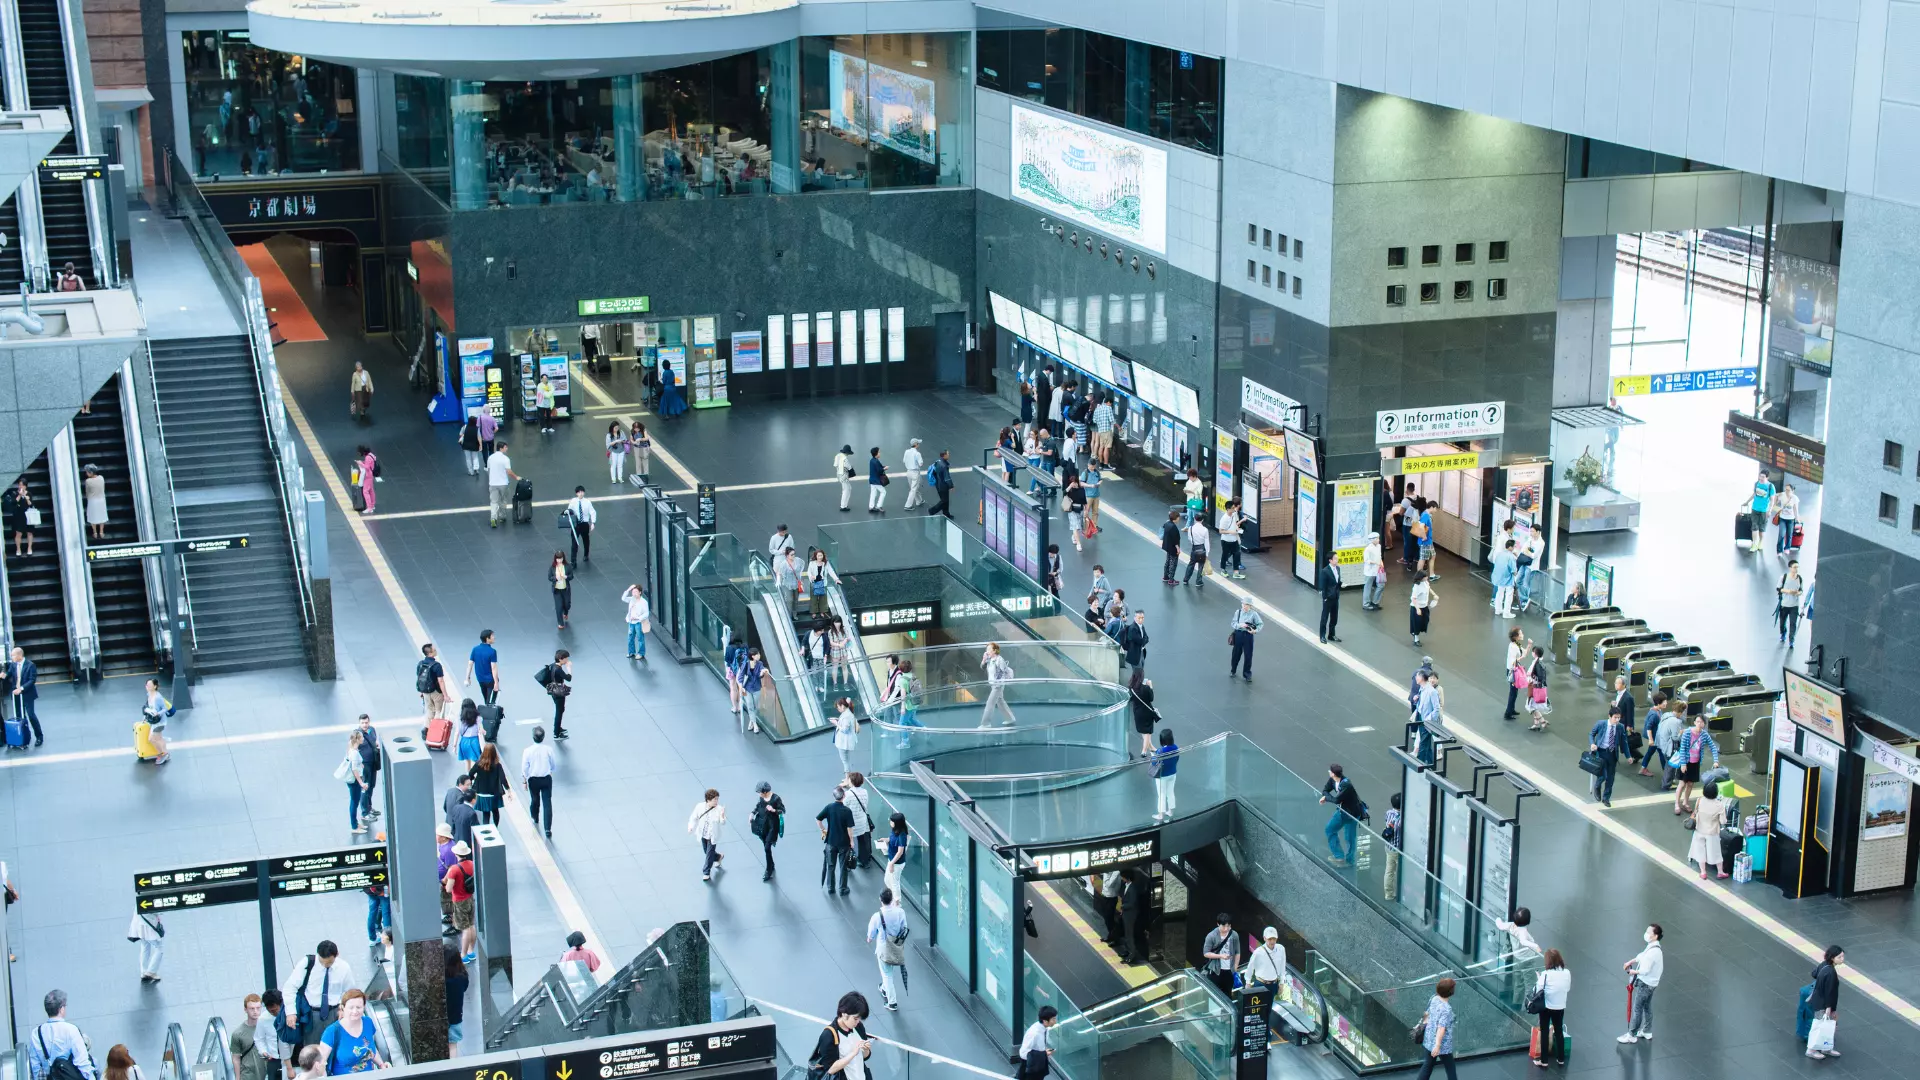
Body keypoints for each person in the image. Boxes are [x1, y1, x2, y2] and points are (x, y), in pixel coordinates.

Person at [284, 942, 358, 1049]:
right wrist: (291, 1013)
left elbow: (350, 992)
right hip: (312, 1014)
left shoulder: (344, 968)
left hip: (335, 1012)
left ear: (337, 955)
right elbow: (290, 987)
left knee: (335, 1046)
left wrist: (343, 1009)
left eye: (329, 963)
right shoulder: (307, 964)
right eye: (322, 962)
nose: (325, 965)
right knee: (312, 1049)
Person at [316, 989, 384, 1074]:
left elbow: (371, 1047)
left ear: (364, 1007)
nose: (355, 1011)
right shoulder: (332, 1031)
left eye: (358, 1007)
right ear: (343, 1008)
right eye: (351, 1007)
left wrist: (381, 1064)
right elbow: (320, 1063)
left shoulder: (368, 1022)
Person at [1617, 923, 1663, 1043]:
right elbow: (1642, 956)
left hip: (1646, 984)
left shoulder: (1653, 952)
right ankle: (1647, 1031)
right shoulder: (1654, 947)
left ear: (1655, 936)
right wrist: (1630, 961)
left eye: (1649, 932)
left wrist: (1633, 971)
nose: (1646, 934)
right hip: (1652, 984)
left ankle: (1631, 1035)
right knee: (1647, 1006)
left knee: (1637, 1009)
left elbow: (1645, 970)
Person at [808, 993, 872, 1079]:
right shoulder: (829, 1035)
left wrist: (866, 1050)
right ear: (844, 1014)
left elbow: (864, 1057)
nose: (857, 1022)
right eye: (855, 1019)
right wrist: (853, 1053)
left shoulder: (858, 1027)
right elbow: (830, 1069)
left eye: (859, 1019)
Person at [867, 888, 910, 1011]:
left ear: (880, 900)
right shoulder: (900, 912)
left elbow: (871, 934)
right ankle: (885, 988)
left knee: (887, 975)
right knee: (888, 973)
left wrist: (870, 938)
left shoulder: (877, 916)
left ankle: (892, 1002)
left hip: (883, 948)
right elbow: (904, 928)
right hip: (896, 946)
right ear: (892, 899)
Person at [1413, 978, 1459, 1080]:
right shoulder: (1446, 1009)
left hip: (1429, 1039)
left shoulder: (1434, 999)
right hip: (1443, 1044)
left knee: (1428, 1065)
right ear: (1451, 992)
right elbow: (1441, 1028)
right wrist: (1437, 1045)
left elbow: (1427, 1015)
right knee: (1450, 1067)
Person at [1531, 950, 1571, 1066]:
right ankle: (1561, 1058)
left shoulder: (1545, 974)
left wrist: (1539, 978)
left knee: (1544, 1031)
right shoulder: (1567, 972)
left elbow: (1537, 990)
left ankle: (1544, 1061)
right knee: (1559, 1031)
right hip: (1560, 1006)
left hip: (1546, 1006)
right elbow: (1566, 988)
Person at [1673, 716, 1719, 815]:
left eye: (1701, 722)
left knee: (1690, 784)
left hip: (1695, 763)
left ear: (1704, 724)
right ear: (1694, 722)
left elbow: (1713, 747)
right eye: (1697, 721)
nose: (1699, 724)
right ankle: (1677, 804)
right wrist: (1683, 763)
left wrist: (1716, 760)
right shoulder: (1688, 733)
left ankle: (1685, 802)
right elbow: (1683, 748)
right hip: (1686, 762)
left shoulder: (1704, 734)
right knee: (1682, 784)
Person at [1320, 764, 1364, 866]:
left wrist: (1326, 798)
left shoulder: (1346, 784)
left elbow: (1336, 800)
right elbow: (1325, 790)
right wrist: (1326, 795)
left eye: (1330, 771)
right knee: (1333, 831)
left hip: (1351, 814)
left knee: (1348, 837)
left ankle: (1348, 860)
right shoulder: (1332, 780)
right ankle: (1340, 857)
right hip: (1343, 811)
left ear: (1333, 773)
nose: (1329, 772)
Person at [1687, 779, 1732, 879]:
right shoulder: (1719, 805)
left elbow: (1696, 812)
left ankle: (1703, 872)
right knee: (1716, 852)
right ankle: (1720, 872)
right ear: (1716, 793)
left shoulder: (1700, 800)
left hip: (1699, 829)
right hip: (1712, 832)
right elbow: (1723, 821)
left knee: (1700, 851)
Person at [1805, 945, 1843, 1059]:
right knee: (1820, 1025)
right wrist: (1829, 1008)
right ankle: (1811, 1050)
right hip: (1824, 1004)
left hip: (1818, 1001)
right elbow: (1829, 992)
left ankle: (1826, 1047)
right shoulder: (1831, 972)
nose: (1842, 959)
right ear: (1833, 958)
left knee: (1830, 1024)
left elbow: (1814, 973)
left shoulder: (1824, 965)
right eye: (1840, 957)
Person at [1587, 707, 1628, 807]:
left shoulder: (1620, 727)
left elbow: (1624, 742)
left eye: (1619, 718)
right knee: (1603, 775)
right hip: (1601, 752)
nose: (1617, 720)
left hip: (1612, 754)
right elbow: (1591, 734)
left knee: (1610, 778)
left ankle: (1606, 798)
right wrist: (1592, 744)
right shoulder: (1601, 724)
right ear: (1609, 716)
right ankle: (1597, 786)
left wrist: (1628, 756)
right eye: (1615, 718)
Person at [818, 786, 856, 895]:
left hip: (831, 841)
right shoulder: (847, 811)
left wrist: (823, 829)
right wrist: (852, 841)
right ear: (843, 796)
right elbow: (849, 829)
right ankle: (843, 889)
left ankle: (830, 888)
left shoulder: (829, 807)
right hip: (844, 842)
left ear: (834, 796)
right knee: (843, 866)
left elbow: (818, 819)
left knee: (831, 865)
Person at [443, 841, 477, 963]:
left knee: (465, 928)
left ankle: (463, 954)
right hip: (470, 898)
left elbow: (448, 888)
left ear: (456, 854)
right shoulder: (473, 864)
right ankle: (471, 951)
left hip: (459, 901)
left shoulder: (454, 869)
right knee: (472, 925)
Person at [520, 726, 555, 837]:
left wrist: (524, 779)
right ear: (543, 737)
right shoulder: (548, 749)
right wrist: (550, 770)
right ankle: (548, 829)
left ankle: (535, 816)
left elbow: (524, 767)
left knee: (535, 799)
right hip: (546, 778)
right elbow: (553, 764)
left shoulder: (527, 751)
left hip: (533, 779)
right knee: (547, 803)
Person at [687, 788, 726, 881]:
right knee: (707, 852)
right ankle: (719, 857)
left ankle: (706, 872)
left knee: (709, 854)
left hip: (712, 836)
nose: (717, 801)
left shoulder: (720, 809)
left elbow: (723, 823)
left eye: (717, 799)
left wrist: (723, 816)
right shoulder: (699, 806)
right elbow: (693, 817)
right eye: (715, 799)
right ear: (708, 800)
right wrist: (691, 827)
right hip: (703, 834)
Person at [751, 781, 786, 881]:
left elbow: (783, 810)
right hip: (762, 824)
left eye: (760, 792)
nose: (759, 794)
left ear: (765, 792)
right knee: (766, 846)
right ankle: (771, 864)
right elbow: (758, 806)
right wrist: (752, 813)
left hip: (772, 826)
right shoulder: (761, 798)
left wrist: (773, 810)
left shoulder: (775, 798)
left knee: (767, 847)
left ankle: (768, 869)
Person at [1201, 913, 1240, 996]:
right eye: (1223, 926)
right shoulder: (1211, 936)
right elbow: (1206, 953)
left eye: (1228, 926)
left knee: (1228, 994)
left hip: (1229, 971)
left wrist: (1235, 966)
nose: (1226, 929)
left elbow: (1237, 952)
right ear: (1218, 924)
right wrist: (1220, 956)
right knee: (1215, 995)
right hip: (1216, 971)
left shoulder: (1234, 935)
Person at [232, 996, 271, 1080]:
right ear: (245, 1009)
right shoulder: (238, 1033)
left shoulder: (268, 1027)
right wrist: (237, 1078)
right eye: (252, 1008)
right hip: (248, 1075)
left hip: (269, 1072)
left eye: (258, 1008)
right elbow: (236, 1058)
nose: (255, 1011)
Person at [468, 744, 506, 825]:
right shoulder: (497, 765)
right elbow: (503, 778)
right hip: (494, 793)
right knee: (495, 812)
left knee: (486, 814)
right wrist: (508, 790)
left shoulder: (479, 764)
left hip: (482, 793)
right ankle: (496, 828)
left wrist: (473, 779)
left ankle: (487, 829)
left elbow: (470, 773)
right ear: (494, 753)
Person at [980, 643, 1017, 726]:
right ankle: (1010, 718)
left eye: (989, 649)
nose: (987, 651)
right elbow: (982, 667)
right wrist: (984, 660)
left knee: (990, 703)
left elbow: (1003, 672)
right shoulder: (989, 659)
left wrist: (998, 683)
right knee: (1000, 701)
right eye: (987, 649)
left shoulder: (1000, 659)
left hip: (998, 685)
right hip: (993, 684)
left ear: (995, 650)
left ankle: (985, 724)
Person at [339, 732, 368, 834]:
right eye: (362, 737)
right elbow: (354, 769)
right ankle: (354, 826)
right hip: (355, 781)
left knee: (354, 801)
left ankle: (355, 823)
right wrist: (361, 783)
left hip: (353, 780)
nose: (363, 738)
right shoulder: (354, 753)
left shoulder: (352, 749)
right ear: (358, 739)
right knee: (354, 802)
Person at [1017, 1006, 1058, 1078]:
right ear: (1045, 1021)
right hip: (1031, 1066)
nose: (1055, 1021)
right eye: (1053, 1019)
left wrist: (1043, 1053)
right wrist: (1043, 1054)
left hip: (1038, 1063)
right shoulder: (1034, 1033)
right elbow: (1024, 1053)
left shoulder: (1045, 1028)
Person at [137, 678, 171, 765]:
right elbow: (148, 706)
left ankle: (164, 753)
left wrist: (157, 713)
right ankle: (163, 752)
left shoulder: (158, 698)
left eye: (149, 685)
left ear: (155, 686)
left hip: (159, 722)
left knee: (153, 739)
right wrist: (145, 715)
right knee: (156, 739)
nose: (147, 686)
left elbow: (165, 709)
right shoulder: (149, 694)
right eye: (146, 685)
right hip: (154, 721)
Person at [443, 944, 468, 1057]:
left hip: (443, 1016)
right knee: (453, 1046)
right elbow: (465, 988)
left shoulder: (442, 979)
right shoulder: (462, 976)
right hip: (456, 1017)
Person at [540, 650, 572, 738]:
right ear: (561, 659)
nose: (567, 661)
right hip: (559, 693)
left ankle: (557, 728)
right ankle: (556, 732)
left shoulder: (553, 665)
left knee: (560, 710)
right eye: (566, 659)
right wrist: (569, 668)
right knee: (559, 712)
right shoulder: (558, 670)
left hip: (554, 691)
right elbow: (568, 678)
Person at [846, 772, 876, 868]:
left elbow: (844, 807)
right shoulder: (865, 792)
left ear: (851, 781)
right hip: (863, 820)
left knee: (848, 840)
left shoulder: (848, 794)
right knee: (864, 841)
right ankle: (864, 860)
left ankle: (849, 862)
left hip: (852, 821)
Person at [485, 442, 518, 528]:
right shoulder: (505, 459)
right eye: (505, 447)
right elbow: (509, 472)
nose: (507, 449)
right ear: (501, 448)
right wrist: (516, 477)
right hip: (503, 483)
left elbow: (488, 470)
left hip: (493, 483)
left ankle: (493, 518)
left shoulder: (490, 458)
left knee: (494, 501)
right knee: (503, 500)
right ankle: (502, 516)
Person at [1150, 727, 1180, 823]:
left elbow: (1155, 763)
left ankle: (1160, 814)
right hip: (1173, 773)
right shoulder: (1176, 747)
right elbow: (1176, 759)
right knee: (1170, 792)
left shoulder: (1161, 751)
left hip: (1162, 776)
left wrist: (1152, 755)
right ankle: (1171, 811)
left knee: (1161, 794)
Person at [1229, 600, 1263, 681]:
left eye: (1247, 605)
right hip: (1239, 634)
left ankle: (1247, 674)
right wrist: (1240, 625)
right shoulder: (1238, 612)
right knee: (1236, 654)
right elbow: (1233, 623)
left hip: (1248, 635)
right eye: (1244, 604)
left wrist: (1255, 631)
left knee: (1248, 655)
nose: (1245, 606)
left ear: (1250, 606)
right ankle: (1233, 670)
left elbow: (1260, 624)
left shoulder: (1254, 614)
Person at [416, 643, 450, 722]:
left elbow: (420, 677)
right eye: (434, 650)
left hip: (425, 692)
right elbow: (440, 681)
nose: (436, 651)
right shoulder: (436, 665)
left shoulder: (420, 664)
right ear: (430, 653)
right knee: (439, 711)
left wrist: (422, 691)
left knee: (430, 711)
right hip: (436, 692)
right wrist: (445, 696)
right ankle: (437, 731)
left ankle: (427, 730)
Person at [464, 631, 500, 706]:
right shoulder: (492, 652)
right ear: (487, 638)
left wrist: (467, 678)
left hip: (480, 679)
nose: (494, 637)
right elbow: (493, 668)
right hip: (490, 680)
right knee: (490, 702)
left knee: (486, 699)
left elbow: (470, 664)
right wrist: (496, 682)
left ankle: (487, 711)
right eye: (492, 636)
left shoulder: (475, 649)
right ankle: (489, 714)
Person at [127, 907, 163, 982]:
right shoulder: (149, 900)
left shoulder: (139, 901)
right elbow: (157, 911)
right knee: (159, 949)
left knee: (145, 947)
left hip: (140, 928)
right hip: (149, 928)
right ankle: (151, 972)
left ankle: (144, 971)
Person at [804, 549, 841, 618]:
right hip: (814, 583)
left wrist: (836, 579)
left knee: (823, 598)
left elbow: (831, 571)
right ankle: (813, 612)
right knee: (814, 598)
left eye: (821, 555)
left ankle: (822, 612)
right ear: (816, 556)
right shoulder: (812, 563)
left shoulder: (826, 563)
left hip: (823, 583)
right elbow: (809, 571)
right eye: (819, 556)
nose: (820, 557)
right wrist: (811, 576)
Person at [739, 648, 768, 734]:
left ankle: (751, 721)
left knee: (755, 706)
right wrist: (741, 687)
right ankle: (755, 725)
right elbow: (740, 677)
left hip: (757, 688)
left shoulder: (760, 664)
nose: (759, 656)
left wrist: (763, 672)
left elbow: (760, 674)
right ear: (753, 656)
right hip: (747, 688)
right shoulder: (746, 664)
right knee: (750, 705)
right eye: (758, 654)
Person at [564, 487, 596, 565]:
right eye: (579, 492)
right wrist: (567, 511)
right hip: (576, 524)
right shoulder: (573, 501)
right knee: (574, 543)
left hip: (584, 524)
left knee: (586, 540)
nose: (581, 493)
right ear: (576, 493)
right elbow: (570, 510)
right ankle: (573, 561)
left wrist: (593, 523)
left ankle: (586, 554)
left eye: (582, 492)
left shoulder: (587, 502)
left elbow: (592, 512)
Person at [1778, 559, 1806, 647]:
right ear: (1790, 568)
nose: (1796, 569)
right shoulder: (1784, 577)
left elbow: (1801, 590)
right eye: (1794, 567)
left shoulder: (1800, 578)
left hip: (1794, 605)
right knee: (1782, 622)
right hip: (1784, 604)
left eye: (1797, 567)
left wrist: (1798, 593)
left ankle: (1791, 640)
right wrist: (1789, 591)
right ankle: (1783, 633)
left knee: (1793, 623)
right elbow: (1779, 589)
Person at [4, 477, 34, 557]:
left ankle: (29, 548)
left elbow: (31, 505)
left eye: (22, 485)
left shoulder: (29, 494)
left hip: (28, 515)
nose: (20, 486)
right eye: (19, 485)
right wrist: (20, 495)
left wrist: (27, 499)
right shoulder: (15, 493)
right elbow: (14, 502)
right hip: (18, 515)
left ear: (25, 486)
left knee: (29, 532)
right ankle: (18, 549)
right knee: (18, 533)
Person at [1522, 646, 1549, 731]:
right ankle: (1536, 724)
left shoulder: (1537, 664)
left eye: (1533, 652)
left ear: (1535, 654)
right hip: (1536, 687)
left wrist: (1533, 678)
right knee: (1533, 705)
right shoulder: (1539, 662)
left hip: (1534, 687)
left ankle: (1542, 721)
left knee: (1530, 706)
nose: (1532, 653)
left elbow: (1539, 677)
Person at [1316, 552, 1342, 642]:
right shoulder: (1325, 571)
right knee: (1325, 617)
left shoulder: (1338, 569)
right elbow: (1322, 586)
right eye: (1335, 558)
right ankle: (1322, 636)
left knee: (1334, 617)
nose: (1337, 559)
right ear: (1330, 560)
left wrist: (1341, 585)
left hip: (1335, 596)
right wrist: (1325, 598)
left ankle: (1332, 634)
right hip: (1328, 597)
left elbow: (1337, 582)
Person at [621, 584, 651, 660]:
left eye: (636, 592)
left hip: (638, 623)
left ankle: (641, 653)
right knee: (630, 638)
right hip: (631, 622)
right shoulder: (631, 599)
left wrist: (638, 618)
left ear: (640, 592)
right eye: (633, 592)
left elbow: (646, 613)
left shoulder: (644, 602)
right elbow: (623, 598)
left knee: (640, 638)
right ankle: (631, 652)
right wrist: (628, 589)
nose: (634, 594)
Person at [1749, 469, 1776, 553]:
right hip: (1755, 509)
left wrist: (1770, 510)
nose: (1761, 478)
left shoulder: (1770, 486)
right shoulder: (1756, 484)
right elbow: (1754, 494)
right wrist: (1747, 502)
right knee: (1754, 527)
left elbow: (1772, 500)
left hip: (1764, 511)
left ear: (1767, 477)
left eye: (1763, 477)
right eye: (1760, 476)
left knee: (1762, 529)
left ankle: (1760, 542)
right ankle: (1754, 544)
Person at [832, 697, 860, 776]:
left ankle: (847, 778)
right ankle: (848, 778)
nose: (838, 709)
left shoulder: (846, 716)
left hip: (844, 742)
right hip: (845, 741)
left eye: (838, 707)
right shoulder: (848, 713)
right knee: (846, 760)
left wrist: (836, 723)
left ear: (842, 706)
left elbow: (845, 730)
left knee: (845, 761)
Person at [882, 812, 909, 894]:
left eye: (891, 821)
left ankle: (897, 902)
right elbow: (892, 839)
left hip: (896, 863)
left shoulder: (902, 836)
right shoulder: (895, 830)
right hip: (891, 859)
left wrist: (892, 864)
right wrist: (886, 839)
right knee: (887, 880)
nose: (890, 822)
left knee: (894, 883)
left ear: (897, 823)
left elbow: (900, 852)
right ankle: (892, 897)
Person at [926, 449, 954, 518]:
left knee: (945, 500)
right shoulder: (944, 466)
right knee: (944, 501)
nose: (948, 455)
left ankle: (946, 513)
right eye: (948, 454)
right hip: (943, 486)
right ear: (944, 455)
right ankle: (932, 511)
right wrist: (951, 486)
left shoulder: (937, 462)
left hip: (938, 484)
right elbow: (947, 477)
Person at [547, 551, 572, 630]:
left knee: (567, 604)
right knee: (558, 607)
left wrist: (566, 577)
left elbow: (571, 576)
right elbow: (549, 577)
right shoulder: (552, 567)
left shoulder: (567, 566)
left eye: (560, 558)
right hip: (557, 590)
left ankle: (566, 612)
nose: (559, 560)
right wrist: (555, 578)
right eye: (558, 559)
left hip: (565, 589)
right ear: (555, 559)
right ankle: (560, 623)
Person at [1361, 531, 1386, 609]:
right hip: (1370, 571)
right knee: (1368, 587)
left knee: (1381, 585)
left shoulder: (1378, 546)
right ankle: (1366, 604)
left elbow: (1379, 556)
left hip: (1378, 570)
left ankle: (1375, 602)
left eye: (1378, 538)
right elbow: (1366, 560)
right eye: (1376, 538)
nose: (1378, 540)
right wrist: (1376, 563)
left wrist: (1381, 563)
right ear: (1372, 540)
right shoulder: (1368, 549)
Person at [1408, 571, 1434, 646]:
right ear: (1421, 577)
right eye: (1425, 576)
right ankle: (1416, 639)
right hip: (1417, 607)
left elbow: (1429, 589)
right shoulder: (1417, 587)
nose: (1427, 577)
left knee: (1425, 620)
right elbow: (1413, 598)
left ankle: (1415, 633)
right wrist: (1418, 609)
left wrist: (1434, 594)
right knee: (1417, 623)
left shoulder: (1426, 583)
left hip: (1424, 606)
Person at [82, 465, 107, 542]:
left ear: (91, 472)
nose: (86, 473)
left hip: (92, 500)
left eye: (87, 472)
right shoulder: (101, 478)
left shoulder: (88, 481)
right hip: (101, 499)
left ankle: (95, 532)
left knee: (93, 516)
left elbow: (87, 492)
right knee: (102, 516)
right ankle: (101, 532)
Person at [1775, 482, 1801, 556]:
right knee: (1781, 534)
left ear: (1792, 491)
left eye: (1788, 490)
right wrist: (1776, 497)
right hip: (1782, 518)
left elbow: (1796, 509)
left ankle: (1787, 548)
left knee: (1789, 535)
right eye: (1786, 489)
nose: (1786, 491)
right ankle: (1779, 551)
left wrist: (1797, 518)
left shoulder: (1795, 498)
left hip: (1791, 519)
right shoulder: (1782, 495)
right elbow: (1776, 500)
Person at [454, 699, 482, 768]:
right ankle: (473, 776)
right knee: (474, 760)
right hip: (474, 741)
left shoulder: (460, 718)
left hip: (464, 741)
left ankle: (468, 776)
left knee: (467, 760)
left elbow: (457, 732)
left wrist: (454, 746)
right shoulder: (478, 718)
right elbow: (480, 731)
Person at [1159, 510, 1182, 584]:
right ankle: (1171, 580)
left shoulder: (1167, 524)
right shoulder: (1173, 527)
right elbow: (1175, 540)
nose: (1179, 519)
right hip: (1173, 548)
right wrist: (1178, 548)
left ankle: (1166, 576)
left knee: (1168, 561)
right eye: (1178, 517)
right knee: (1173, 563)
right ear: (1175, 518)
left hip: (1167, 546)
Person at [902, 439, 925, 509]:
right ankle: (908, 505)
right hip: (915, 473)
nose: (919, 444)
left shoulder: (906, 452)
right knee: (913, 489)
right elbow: (921, 464)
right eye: (918, 443)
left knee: (914, 488)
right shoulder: (917, 454)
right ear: (916, 444)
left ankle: (919, 500)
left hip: (908, 472)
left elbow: (904, 461)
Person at [604, 421, 629, 485]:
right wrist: (616, 441)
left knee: (620, 465)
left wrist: (622, 441)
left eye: (617, 427)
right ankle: (613, 479)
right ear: (612, 428)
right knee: (613, 465)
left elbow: (625, 440)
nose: (617, 429)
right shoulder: (609, 435)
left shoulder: (621, 432)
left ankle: (620, 478)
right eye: (615, 428)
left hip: (621, 451)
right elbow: (608, 444)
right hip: (614, 452)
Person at [459, 410, 483, 476]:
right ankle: (476, 468)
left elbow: (461, 434)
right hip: (474, 445)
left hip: (466, 445)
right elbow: (479, 437)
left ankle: (470, 471)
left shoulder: (464, 427)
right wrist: (480, 445)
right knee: (475, 457)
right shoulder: (477, 428)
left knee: (468, 459)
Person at [353, 446, 376, 515]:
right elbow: (369, 463)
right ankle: (372, 505)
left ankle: (369, 508)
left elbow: (367, 467)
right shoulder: (371, 455)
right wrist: (363, 462)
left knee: (365, 491)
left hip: (368, 475)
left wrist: (360, 463)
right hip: (371, 475)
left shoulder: (367, 457)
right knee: (371, 490)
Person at [833, 445, 856, 511]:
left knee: (848, 488)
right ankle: (843, 506)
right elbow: (849, 467)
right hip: (844, 475)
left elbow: (835, 465)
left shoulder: (838, 456)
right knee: (846, 490)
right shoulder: (845, 459)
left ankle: (844, 505)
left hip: (839, 474)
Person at [866, 446, 888, 512]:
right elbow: (879, 470)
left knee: (873, 493)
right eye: (879, 452)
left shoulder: (872, 460)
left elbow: (878, 468)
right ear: (876, 453)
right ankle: (879, 506)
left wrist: (883, 467)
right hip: (876, 481)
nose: (880, 453)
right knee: (883, 492)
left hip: (872, 480)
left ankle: (871, 506)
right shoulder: (876, 461)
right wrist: (885, 468)